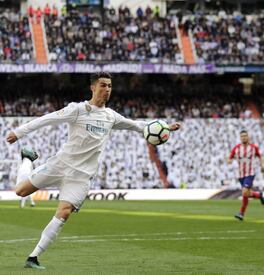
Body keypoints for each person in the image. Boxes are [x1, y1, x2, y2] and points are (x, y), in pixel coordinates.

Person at [6, 72, 181, 269]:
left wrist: (165, 127)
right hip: (60, 165)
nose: (107, 89)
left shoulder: (111, 116)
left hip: (81, 177)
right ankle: (28, 159)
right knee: (20, 191)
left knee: (64, 213)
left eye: (110, 86)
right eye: (103, 85)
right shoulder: (78, 110)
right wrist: (19, 132)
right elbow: (48, 119)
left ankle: (33, 257)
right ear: (93, 87)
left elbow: (138, 126)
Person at [228, 130, 264, 221]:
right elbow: (230, 157)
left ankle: (241, 213)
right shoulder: (236, 148)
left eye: (245, 136)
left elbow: (259, 156)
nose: (244, 137)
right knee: (246, 194)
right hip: (240, 175)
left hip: (250, 173)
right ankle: (258, 195)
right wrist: (229, 161)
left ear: (248, 137)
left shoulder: (253, 147)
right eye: (242, 136)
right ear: (240, 138)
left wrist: (262, 165)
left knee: (244, 192)